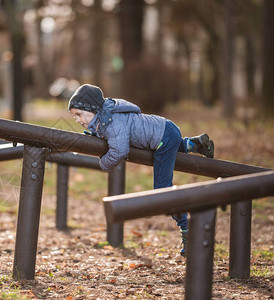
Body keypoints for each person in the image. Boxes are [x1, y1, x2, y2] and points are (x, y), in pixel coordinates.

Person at [68, 84, 214, 257]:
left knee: (162, 191)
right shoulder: (106, 118)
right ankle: (194, 143)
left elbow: (119, 150)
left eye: (78, 114)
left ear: (92, 109)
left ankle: (187, 226)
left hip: (164, 139)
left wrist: (103, 163)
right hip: (166, 130)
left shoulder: (112, 122)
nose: (77, 120)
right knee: (177, 145)